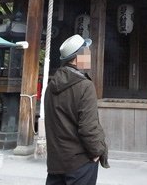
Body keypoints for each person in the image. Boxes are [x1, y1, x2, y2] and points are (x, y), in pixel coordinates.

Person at [45, 35, 109, 185]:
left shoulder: (51, 86)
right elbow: (88, 128)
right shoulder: (85, 86)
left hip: (56, 161)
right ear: (77, 57)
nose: (90, 56)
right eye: (87, 52)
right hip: (79, 162)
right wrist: (97, 151)